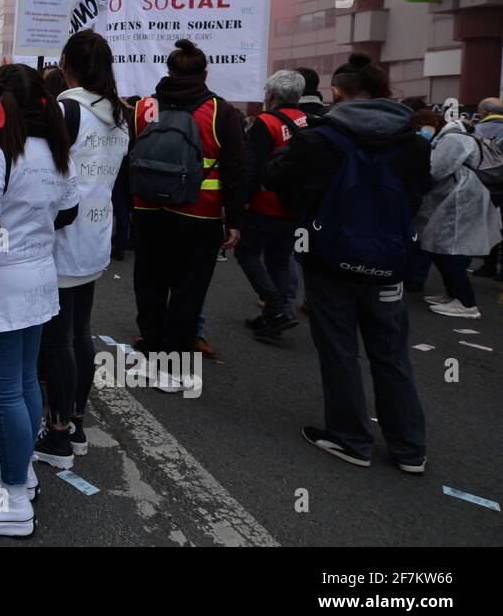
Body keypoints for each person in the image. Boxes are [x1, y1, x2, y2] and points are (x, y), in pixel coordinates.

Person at [264, 54, 431, 472]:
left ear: (335, 92)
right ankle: (410, 448)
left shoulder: (321, 137)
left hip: (331, 257)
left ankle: (350, 437)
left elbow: (278, 179)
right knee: (391, 354)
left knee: (339, 349)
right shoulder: (413, 141)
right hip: (389, 260)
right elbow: (417, 196)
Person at [0, 64, 76, 537]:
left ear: (0, 103)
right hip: (38, 278)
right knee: (24, 381)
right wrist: (29, 228)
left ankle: (14, 500)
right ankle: (20, 472)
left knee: (6, 392)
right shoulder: (55, 149)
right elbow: (68, 211)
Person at [130, 39, 245, 392]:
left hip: (148, 210)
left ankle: (150, 354)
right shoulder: (220, 111)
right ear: (205, 73)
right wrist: (236, 220)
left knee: (150, 284)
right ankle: (174, 372)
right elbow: (237, 170)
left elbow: (129, 160)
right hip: (199, 215)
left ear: (169, 71)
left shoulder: (144, 107)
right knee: (187, 292)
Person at [37, 31, 128, 467]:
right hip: (95, 234)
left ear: (66, 63)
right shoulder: (119, 114)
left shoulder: (65, 109)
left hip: (60, 237)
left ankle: (57, 435)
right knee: (79, 332)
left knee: (58, 338)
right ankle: (73, 421)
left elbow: (42, 170)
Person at [238, 71, 310, 339]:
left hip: (266, 202)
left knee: (246, 253)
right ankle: (274, 315)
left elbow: (252, 167)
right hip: (295, 203)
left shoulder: (265, 122)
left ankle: (277, 308)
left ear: (270, 95)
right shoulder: (308, 121)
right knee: (279, 260)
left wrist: (243, 200)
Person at [409, 108, 497, 318]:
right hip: (454, 199)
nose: (420, 133)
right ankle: (453, 295)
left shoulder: (454, 139)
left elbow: (435, 170)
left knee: (451, 251)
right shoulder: (450, 135)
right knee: (441, 248)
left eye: (420, 129)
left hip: (460, 201)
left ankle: (466, 303)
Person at [470, 96, 503, 278]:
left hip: (483, 186)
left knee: (485, 226)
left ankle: (488, 265)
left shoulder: (477, 130)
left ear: (483, 112)